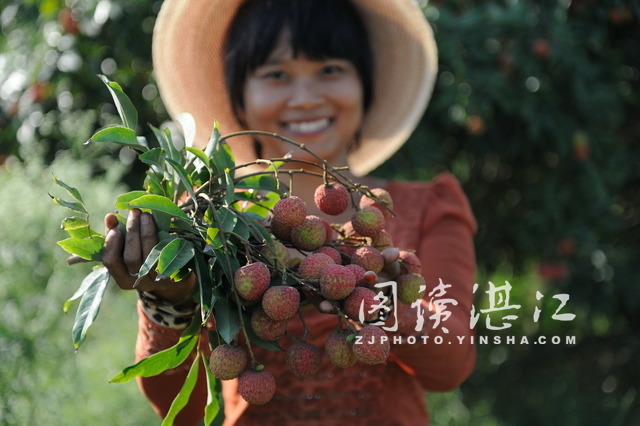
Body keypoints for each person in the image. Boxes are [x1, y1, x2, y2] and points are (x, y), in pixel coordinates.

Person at [102, 0, 477, 424]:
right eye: (276, 75)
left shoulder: (426, 207)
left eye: (330, 70)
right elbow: (182, 411)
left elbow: (451, 366)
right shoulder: (208, 223)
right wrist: (168, 301)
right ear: (239, 96)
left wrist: (382, 304)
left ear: (366, 84)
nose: (305, 98)